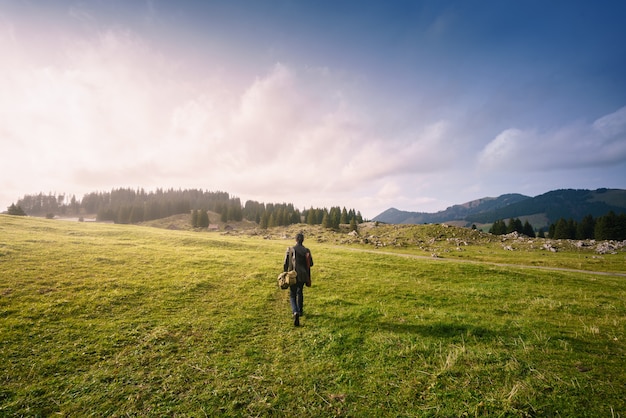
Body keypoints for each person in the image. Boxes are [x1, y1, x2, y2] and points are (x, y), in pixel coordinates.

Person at [283, 233, 313, 326]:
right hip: (303, 275)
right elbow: (311, 264)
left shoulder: (290, 249)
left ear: (296, 240)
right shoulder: (307, 250)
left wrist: (285, 273)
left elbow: (285, 263)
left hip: (293, 275)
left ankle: (295, 311)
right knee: (300, 292)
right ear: (303, 240)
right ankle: (300, 311)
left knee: (292, 294)